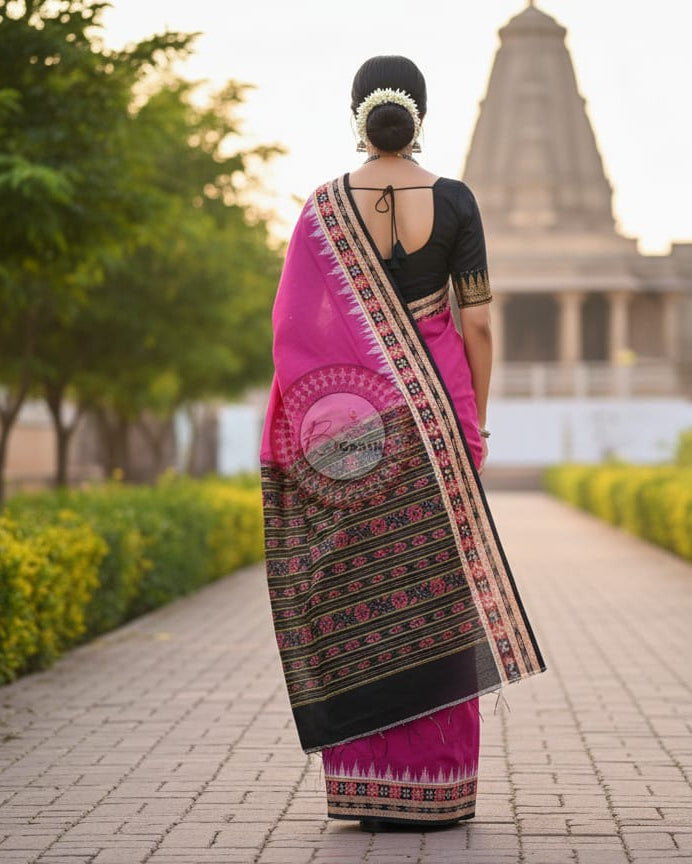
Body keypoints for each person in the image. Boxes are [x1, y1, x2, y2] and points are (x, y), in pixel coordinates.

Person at [259, 55, 545, 832]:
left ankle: (367, 784)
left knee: (356, 594)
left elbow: (293, 327)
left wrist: (323, 418)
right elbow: (477, 322)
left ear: (357, 115)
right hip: (438, 422)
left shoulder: (322, 209)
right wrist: (473, 420)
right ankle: (437, 787)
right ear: (421, 114)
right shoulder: (454, 200)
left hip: (352, 431)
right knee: (437, 598)